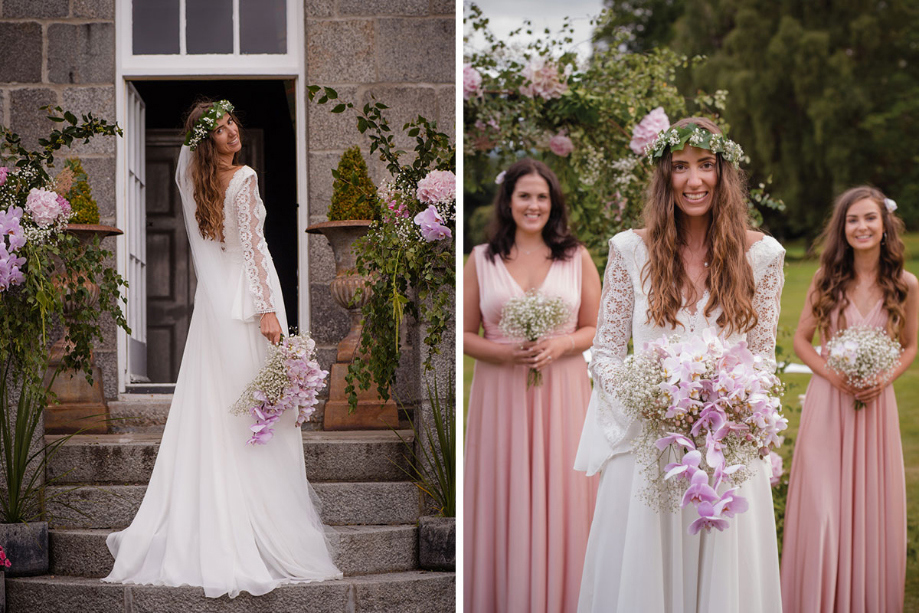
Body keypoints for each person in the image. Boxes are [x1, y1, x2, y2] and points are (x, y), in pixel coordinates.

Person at [103, 99, 342, 598]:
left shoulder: (195, 183)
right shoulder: (245, 176)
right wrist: (268, 310)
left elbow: (215, 254)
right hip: (249, 305)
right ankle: (256, 525)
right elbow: (254, 250)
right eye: (221, 128)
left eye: (233, 122)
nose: (232, 131)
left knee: (223, 410)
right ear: (207, 140)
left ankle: (221, 517)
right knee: (258, 411)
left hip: (215, 311)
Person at [576, 117, 786, 612]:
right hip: (651, 446)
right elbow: (605, 353)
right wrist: (650, 396)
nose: (694, 180)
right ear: (664, 176)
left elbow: (761, 356)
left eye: (706, 166)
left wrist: (729, 397)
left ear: (723, 172)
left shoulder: (764, 256)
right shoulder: (630, 250)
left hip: (725, 449)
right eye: (681, 167)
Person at [464, 158, 601, 612]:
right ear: (508, 201)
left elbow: (597, 328)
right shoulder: (481, 259)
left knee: (565, 493)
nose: (533, 204)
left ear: (553, 203)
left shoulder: (576, 256)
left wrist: (561, 346)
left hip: (563, 393)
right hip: (500, 396)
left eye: (542, 196)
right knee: (504, 494)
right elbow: (464, 334)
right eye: (524, 195)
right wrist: (506, 352)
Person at [780, 186, 917, 612]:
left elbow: (911, 346)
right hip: (827, 405)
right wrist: (834, 376)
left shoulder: (906, 285)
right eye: (852, 219)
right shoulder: (826, 279)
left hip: (876, 408)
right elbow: (803, 342)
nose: (861, 226)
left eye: (869, 218)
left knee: (869, 512)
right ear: (843, 228)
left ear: (884, 225)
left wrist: (884, 377)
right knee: (823, 510)